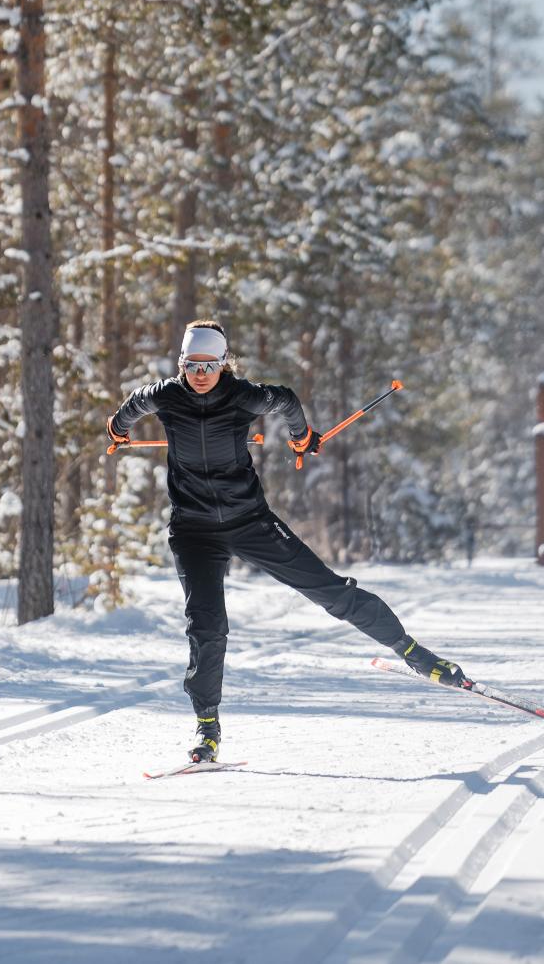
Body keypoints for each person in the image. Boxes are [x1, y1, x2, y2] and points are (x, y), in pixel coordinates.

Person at [107, 319, 467, 764]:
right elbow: (129, 408)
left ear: (223, 364)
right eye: (192, 365)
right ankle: (207, 724)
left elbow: (287, 401)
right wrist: (117, 430)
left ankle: (413, 652)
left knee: (329, 590)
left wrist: (301, 438)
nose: (200, 374)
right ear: (182, 364)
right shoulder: (165, 395)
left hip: (250, 521)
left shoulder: (243, 396)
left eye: (209, 365)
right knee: (206, 626)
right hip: (194, 531)